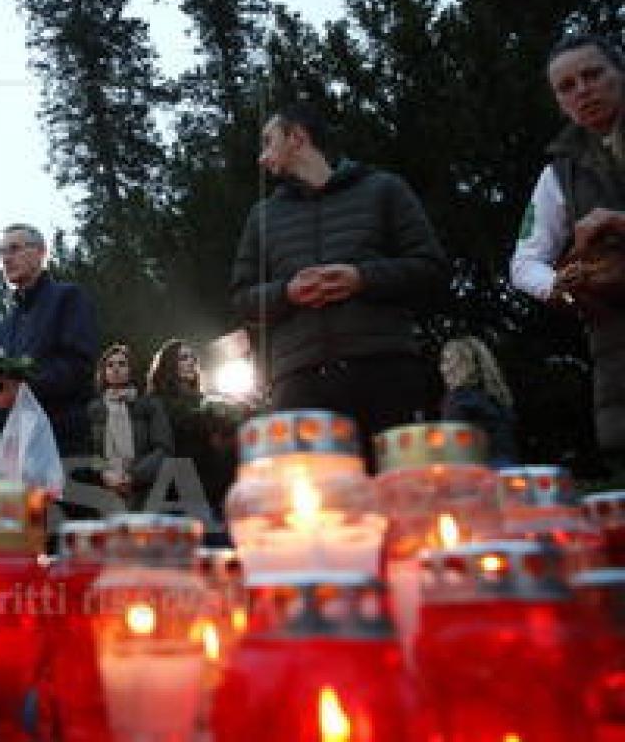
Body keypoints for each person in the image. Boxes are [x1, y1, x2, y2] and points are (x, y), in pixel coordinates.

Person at [230, 102, 448, 463]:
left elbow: (431, 269)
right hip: (300, 386)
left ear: (297, 137)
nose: (261, 157)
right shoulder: (262, 217)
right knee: (320, 511)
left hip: (387, 375)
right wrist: (287, 293)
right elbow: (241, 299)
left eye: (269, 142)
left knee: (400, 501)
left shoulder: (384, 189)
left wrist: (362, 278)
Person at [510, 32, 625, 483]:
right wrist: (559, 285)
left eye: (593, 74)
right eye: (567, 86)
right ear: (559, 102)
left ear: (620, 72)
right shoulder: (556, 176)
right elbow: (523, 263)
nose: (582, 89)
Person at [0, 222, 98, 457]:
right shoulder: (2, 328)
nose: (6, 259)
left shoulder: (68, 298)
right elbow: (1, 397)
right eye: (3, 253)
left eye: (14, 249)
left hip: (63, 444)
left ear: (41, 252)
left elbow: (79, 366)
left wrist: (23, 388)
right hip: (17, 448)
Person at [146, 339, 241, 541]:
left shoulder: (206, 402)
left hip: (215, 490)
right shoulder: (157, 403)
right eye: (183, 357)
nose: (191, 362)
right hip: (179, 490)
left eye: (192, 358)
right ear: (169, 364)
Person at [87, 343, 173, 509]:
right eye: (110, 365)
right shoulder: (94, 409)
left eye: (122, 364)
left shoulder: (150, 405)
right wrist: (104, 473)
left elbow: (164, 448)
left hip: (145, 490)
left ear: (131, 369)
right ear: (103, 372)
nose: (116, 369)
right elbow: (90, 450)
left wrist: (133, 476)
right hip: (105, 490)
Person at [439, 336, 519, 467]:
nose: (444, 369)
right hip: (508, 474)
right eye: (443, 362)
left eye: (449, 361)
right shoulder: (497, 399)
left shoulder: (460, 399)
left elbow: (452, 449)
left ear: (471, 365)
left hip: (477, 476)